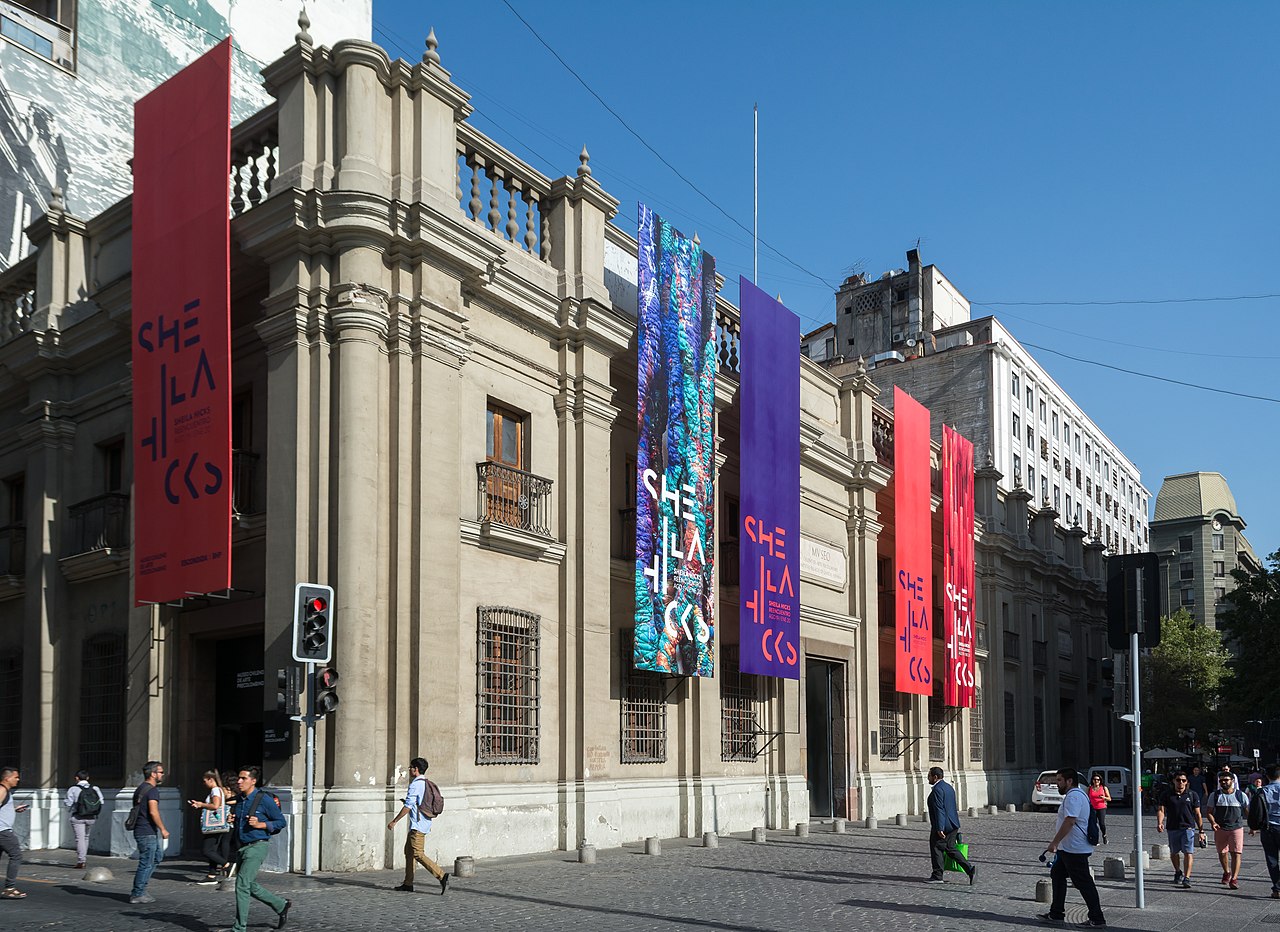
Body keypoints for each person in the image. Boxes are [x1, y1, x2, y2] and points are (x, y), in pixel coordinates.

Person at [226, 765, 290, 932]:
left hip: (257, 846)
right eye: (239, 778)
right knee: (248, 884)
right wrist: (232, 818)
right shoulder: (240, 800)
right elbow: (240, 819)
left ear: (253, 781)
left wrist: (261, 824)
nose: (239, 781)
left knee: (241, 885)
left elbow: (280, 822)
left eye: (243, 778)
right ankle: (280, 904)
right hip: (242, 847)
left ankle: (239, 928)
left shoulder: (264, 799)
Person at [1039, 767, 1105, 928]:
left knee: (1083, 882)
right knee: (1057, 874)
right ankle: (1056, 913)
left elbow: (1070, 820)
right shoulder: (1077, 794)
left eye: (1059, 781)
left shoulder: (1074, 796)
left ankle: (1097, 918)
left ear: (1069, 781)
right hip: (1068, 848)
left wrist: (1054, 842)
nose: (1057, 784)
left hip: (1075, 849)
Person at [388, 757, 450, 894]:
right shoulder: (425, 783)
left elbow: (408, 806)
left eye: (411, 767)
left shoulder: (416, 784)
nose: (409, 769)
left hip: (418, 825)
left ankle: (441, 875)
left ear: (416, 769)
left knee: (418, 854)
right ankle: (408, 883)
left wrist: (394, 821)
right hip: (421, 824)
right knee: (409, 852)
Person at [923, 766, 974, 885]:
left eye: (929, 776)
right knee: (950, 849)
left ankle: (937, 875)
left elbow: (939, 809)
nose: (927, 778)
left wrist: (940, 828)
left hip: (943, 826)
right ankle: (970, 869)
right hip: (953, 824)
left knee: (936, 847)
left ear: (935, 777)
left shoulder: (937, 790)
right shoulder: (948, 787)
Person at [1155, 770, 1205, 888]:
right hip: (1172, 827)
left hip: (1188, 827)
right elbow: (1161, 810)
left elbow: (1197, 814)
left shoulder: (1192, 795)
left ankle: (1187, 878)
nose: (1181, 783)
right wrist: (1160, 822)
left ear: (1187, 782)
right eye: (1178, 780)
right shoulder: (1166, 794)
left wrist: (1201, 830)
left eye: (1183, 780)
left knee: (1188, 852)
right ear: (1174, 781)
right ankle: (1178, 871)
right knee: (1174, 852)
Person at [129, 760, 170, 905]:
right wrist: (163, 829)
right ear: (153, 774)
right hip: (146, 831)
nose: (162, 775)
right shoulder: (152, 791)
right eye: (160, 772)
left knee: (157, 857)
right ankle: (138, 893)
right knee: (146, 862)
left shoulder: (141, 788)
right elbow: (153, 812)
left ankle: (141, 888)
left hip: (145, 830)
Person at [1204, 770, 1248, 889]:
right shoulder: (1215, 795)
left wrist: (1253, 825)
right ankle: (1226, 872)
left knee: (1236, 853)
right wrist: (1213, 822)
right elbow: (1209, 812)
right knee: (1222, 852)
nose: (1224, 782)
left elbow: (1248, 811)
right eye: (1221, 780)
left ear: (1232, 781)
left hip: (1236, 828)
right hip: (1221, 828)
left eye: (1226, 780)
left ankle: (1234, 878)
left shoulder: (1240, 795)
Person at [190, 769, 232, 884]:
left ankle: (227, 865)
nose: (204, 784)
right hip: (217, 823)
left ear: (210, 779)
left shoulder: (215, 790)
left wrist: (200, 804)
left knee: (206, 850)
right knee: (212, 849)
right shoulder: (219, 790)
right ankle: (211, 875)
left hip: (213, 824)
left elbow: (215, 806)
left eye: (204, 781)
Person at [0, 766, 30, 899]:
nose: (18, 780)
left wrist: (14, 809)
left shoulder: (5, 790)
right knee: (16, 855)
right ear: (7, 778)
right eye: (15, 777)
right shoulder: (2, 790)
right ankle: (9, 887)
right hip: (3, 831)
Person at [65, 768, 103, 869]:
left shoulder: (73, 789)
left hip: (78, 816)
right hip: (91, 817)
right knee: (86, 837)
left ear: (77, 778)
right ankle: (83, 858)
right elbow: (101, 802)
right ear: (87, 778)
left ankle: (81, 860)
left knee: (79, 838)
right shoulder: (95, 788)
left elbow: (68, 803)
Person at [1253, 763, 1280, 900]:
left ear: (1267, 776)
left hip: (1268, 828)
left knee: (1272, 859)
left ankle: (1277, 889)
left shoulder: (1262, 791)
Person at [1087, 774, 1111, 845]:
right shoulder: (1090, 788)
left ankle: (1104, 835)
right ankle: (1095, 839)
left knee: (1101, 823)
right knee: (1093, 824)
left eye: (1098, 780)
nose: (1096, 781)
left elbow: (1109, 798)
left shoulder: (1103, 788)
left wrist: (1104, 798)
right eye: (1095, 779)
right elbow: (1087, 797)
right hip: (1092, 808)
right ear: (1092, 780)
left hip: (1101, 807)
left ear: (1100, 781)